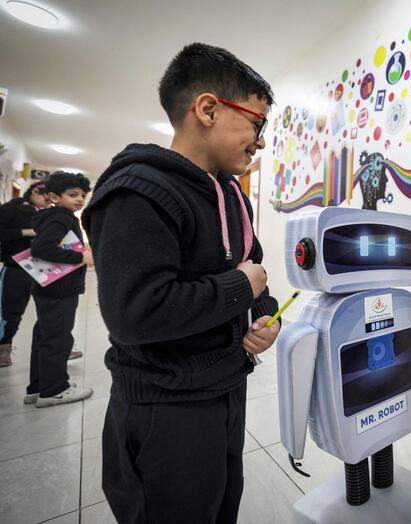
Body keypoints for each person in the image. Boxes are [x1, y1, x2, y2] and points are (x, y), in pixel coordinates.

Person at [81, 42, 280, 523]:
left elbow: (251, 271)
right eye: (256, 122)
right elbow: (137, 313)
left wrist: (263, 315)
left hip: (226, 387)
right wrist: (243, 290)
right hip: (164, 409)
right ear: (208, 109)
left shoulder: (234, 197)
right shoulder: (138, 191)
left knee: (221, 506)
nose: (260, 140)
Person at [27, 172, 93, 407]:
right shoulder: (60, 218)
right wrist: (82, 256)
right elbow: (42, 249)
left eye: (83, 195)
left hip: (50, 287)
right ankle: (55, 390)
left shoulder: (56, 217)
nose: (79, 200)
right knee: (58, 338)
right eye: (73, 195)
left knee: (45, 337)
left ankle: (37, 387)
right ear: (54, 196)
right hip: (59, 288)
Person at [0, 180, 50, 367]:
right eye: (46, 197)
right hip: (16, 269)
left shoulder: (47, 213)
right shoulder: (12, 208)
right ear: (35, 191)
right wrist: (25, 232)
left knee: (50, 309)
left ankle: (56, 346)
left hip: (42, 268)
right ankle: (3, 348)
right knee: (11, 311)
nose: (49, 201)